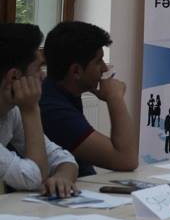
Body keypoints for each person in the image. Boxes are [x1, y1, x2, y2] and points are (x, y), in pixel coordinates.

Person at [39, 21, 138, 177]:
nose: (105, 68)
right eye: (98, 61)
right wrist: (115, 98)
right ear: (76, 71)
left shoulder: (62, 92)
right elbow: (127, 159)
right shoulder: (53, 109)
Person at [0, 23, 79, 196]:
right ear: (14, 77)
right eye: (39, 68)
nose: (43, 76)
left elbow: (63, 159)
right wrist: (31, 110)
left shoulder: (11, 111)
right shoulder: (25, 108)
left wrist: (61, 178)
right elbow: (32, 178)